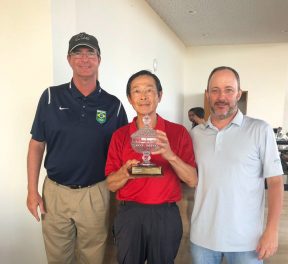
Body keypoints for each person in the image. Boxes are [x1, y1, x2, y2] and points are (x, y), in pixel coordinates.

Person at [26, 32, 128, 264]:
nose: (84, 58)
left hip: (96, 193)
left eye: (90, 53)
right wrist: (32, 191)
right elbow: (36, 146)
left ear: (99, 59)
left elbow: (123, 151)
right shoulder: (50, 96)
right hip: (55, 193)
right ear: (69, 59)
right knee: (58, 258)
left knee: (92, 258)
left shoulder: (114, 105)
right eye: (77, 53)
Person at [190, 66, 284, 264]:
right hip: (202, 238)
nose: (221, 97)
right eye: (215, 90)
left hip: (247, 242)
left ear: (238, 94)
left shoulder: (260, 130)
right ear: (207, 95)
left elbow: (275, 182)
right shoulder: (196, 135)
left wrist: (272, 229)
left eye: (228, 90)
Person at [105, 70, 198, 264]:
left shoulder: (178, 132)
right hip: (130, 215)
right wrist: (125, 172)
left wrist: (170, 155)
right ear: (130, 98)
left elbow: (192, 180)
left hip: (166, 215)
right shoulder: (120, 136)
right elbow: (111, 184)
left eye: (149, 90)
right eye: (137, 91)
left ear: (160, 95)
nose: (144, 96)